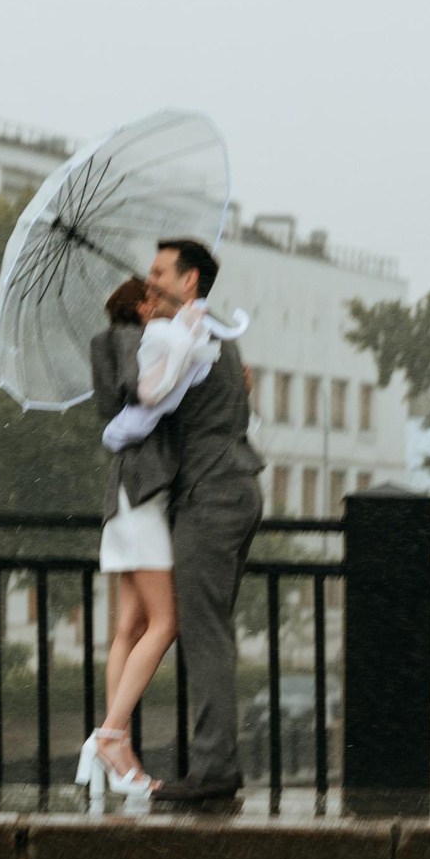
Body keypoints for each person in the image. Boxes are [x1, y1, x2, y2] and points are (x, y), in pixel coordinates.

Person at [143, 237, 264, 805]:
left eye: (160, 271)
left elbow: (148, 404)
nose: (150, 279)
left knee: (206, 633)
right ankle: (217, 763)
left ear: (189, 280)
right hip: (237, 487)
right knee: (213, 630)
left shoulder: (189, 337)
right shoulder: (216, 333)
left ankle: (215, 769)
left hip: (209, 495)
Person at [77, 277, 177, 802]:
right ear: (142, 305)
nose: (164, 304)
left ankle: (117, 751)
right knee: (166, 621)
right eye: (156, 298)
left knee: (129, 627)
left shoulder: (108, 347)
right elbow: (149, 398)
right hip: (142, 500)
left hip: (121, 497)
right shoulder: (136, 344)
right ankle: (112, 737)